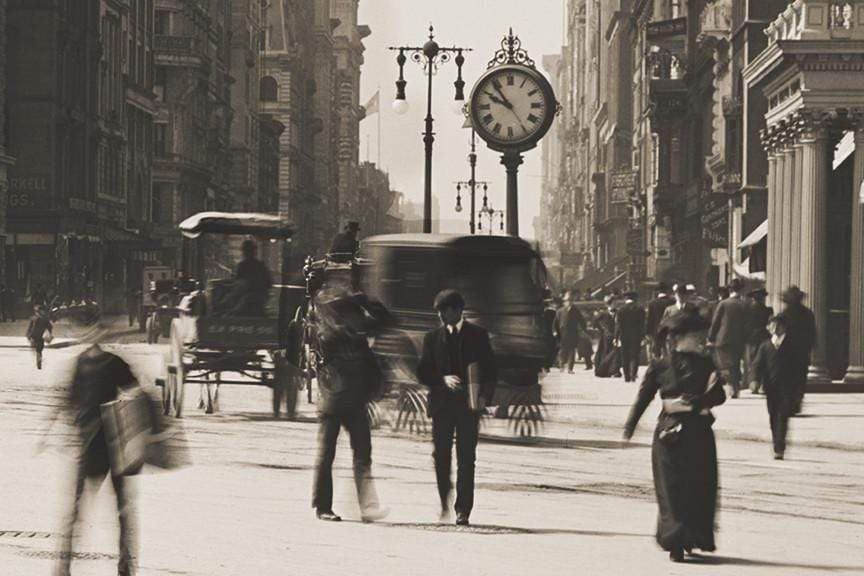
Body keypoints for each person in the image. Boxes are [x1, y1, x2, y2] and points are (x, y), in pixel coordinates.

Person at [623, 304, 727, 562]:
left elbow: (720, 395)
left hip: (700, 433)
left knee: (699, 486)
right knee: (672, 488)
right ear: (679, 338)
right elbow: (644, 397)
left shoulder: (706, 363)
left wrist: (701, 400)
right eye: (695, 336)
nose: (700, 340)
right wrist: (630, 427)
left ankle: (693, 537)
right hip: (670, 434)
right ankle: (676, 541)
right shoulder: (661, 365)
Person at [54, 323, 159, 576]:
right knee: (123, 510)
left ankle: (62, 569)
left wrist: (64, 427)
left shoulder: (81, 363)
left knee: (76, 509)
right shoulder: (114, 362)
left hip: (91, 445)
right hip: (116, 443)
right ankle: (126, 569)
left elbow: (68, 403)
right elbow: (137, 393)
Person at [418, 289, 496, 526]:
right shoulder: (431, 338)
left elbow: (491, 370)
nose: (441, 316)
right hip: (441, 406)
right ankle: (444, 501)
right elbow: (422, 371)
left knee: (466, 458)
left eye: (444, 311)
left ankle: (463, 510)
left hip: (468, 407)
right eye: (439, 311)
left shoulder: (478, 335)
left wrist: (484, 397)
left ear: (457, 310)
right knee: (440, 456)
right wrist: (442, 379)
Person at [311, 289, 389, 523]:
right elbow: (333, 375)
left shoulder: (357, 339)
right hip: (333, 406)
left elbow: (384, 319)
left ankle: (368, 507)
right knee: (327, 456)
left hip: (356, 404)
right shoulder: (327, 339)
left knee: (363, 456)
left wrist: (365, 299)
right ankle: (323, 507)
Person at [750, 315, 797, 459]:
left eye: (777, 325)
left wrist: (799, 389)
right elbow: (757, 365)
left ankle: (779, 447)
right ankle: (776, 441)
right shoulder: (765, 346)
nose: (774, 328)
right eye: (772, 325)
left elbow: (799, 368)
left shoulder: (791, 345)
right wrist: (754, 380)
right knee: (773, 417)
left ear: (783, 327)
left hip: (787, 388)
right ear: (768, 328)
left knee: (783, 416)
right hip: (770, 388)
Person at [708, 278, 751, 399]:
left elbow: (716, 322)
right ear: (741, 290)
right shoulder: (746, 304)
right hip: (740, 339)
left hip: (723, 338)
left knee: (725, 364)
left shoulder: (723, 303)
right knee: (736, 363)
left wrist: (711, 337)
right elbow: (748, 323)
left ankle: (731, 385)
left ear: (730, 289)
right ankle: (735, 386)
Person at [780, 286, 816, 414]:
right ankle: (796, 402)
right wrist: (810, 348)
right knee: (799, 378)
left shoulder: (783, 314)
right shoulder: (808, 314)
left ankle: (790, 403)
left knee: (787, 378)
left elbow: (777, 335)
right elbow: (813, 334)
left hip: (786, 353)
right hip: (801, 352)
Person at [229, 239, 273, 316]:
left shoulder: (242, 266)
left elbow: (237, 285)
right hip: (259, 300)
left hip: (247, 300)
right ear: (254, 252)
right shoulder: (261, 265)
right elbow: (269, 284)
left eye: (246, 251)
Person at [553, 291, 591, 373]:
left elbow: (582, 321)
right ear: (564, 302)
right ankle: (561, 365)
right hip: (562, 334)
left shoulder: (575, 310)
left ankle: (570, 368)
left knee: (571, 351)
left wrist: (584, 330)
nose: (569, 302)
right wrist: (555, 331)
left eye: (570, 300)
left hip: (573, 333)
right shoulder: (560, 311)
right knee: (562, 351)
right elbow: (555, 323)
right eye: (567, 301)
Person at [745, 288, 773, 393]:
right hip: (764, 337)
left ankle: (753, 384)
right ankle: (762, 385)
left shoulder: (747, 309)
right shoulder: (768, 310)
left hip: (751, 338)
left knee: (752, 361)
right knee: (763, 361)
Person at [615, 291, 646, 382]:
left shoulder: (621, 310)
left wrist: (616, 337)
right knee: (635, 356)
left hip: (624, 336)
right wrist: (643, 336)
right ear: (635, 299)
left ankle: (626, 376)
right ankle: (633, 375)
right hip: (636, 336)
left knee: (625, 356)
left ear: (626, 298)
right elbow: (642, 324)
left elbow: (618, 325)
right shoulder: (640, 309)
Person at [593, 295, 621, 378]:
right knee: (605, 352)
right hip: (606, 336)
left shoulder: (618, 312)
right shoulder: (603, 313)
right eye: (614, 302)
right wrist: (602, 330)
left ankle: (615, 370)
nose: (616, 304)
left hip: (616, 335)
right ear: (610, 303)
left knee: (615, 352)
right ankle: (604, 371)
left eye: (616, 302)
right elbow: (595, 322)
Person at [645, 283, 674, 359]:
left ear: (657, 292)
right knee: (668, 351)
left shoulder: (652, 303)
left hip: (656, 330)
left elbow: (649, 319)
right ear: (667, 291)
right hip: (670, 330)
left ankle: (657, 367)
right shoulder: (672, 302)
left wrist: (647, 332)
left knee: (656, 352)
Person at [27, 305, 53, 370]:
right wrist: (50, 333)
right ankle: (39, 359)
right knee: (39, 349)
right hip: (41, 336)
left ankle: (38, 358)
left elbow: (30, 327)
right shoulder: (45, 319)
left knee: (37, 349)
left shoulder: (34, 318)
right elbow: (50, 327)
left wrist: (28, 335)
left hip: (34, 335)